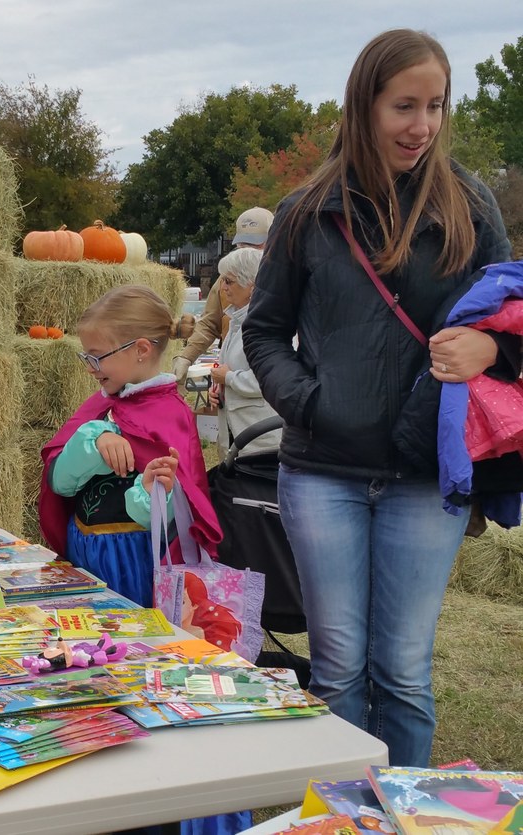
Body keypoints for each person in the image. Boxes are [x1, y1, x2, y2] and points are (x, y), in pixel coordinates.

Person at [241, 29, 512, 768]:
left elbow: (510, 315)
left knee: (402, 670)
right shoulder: (306, 211)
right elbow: (262, 332)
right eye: (403, 106)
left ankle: (406, 813)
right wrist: (310, 403)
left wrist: (495, 349)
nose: (421, 125)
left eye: (434, 105)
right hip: (321, 471)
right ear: (364, 106)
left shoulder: (471, 205)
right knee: (336, 667)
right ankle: (341, 815)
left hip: (426, 475)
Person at [37, 288, 245, 835]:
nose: (90, 368)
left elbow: (182, 507)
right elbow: (59, 477)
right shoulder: (102, 408)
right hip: (89, 561)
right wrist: (90, 441)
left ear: (141, 351)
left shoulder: (168, 413)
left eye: (96, 356)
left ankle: (146, 792)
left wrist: (147, 491)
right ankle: (89, 770)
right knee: (87, 666)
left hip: (137, 569)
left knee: (139, 668)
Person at [173, 206, 274, 384]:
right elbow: (210, 322)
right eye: (243, 244)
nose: (246, 249)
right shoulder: (225, 279)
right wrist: (186, 357)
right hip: (230, 374)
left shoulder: (286, 276)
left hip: (266, 379)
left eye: (255, 244)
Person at [207, 247, 282, 459]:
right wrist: (220, 392)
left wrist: (228, 378)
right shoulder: (236, 321)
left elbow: (271, 379)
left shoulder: (270, 325)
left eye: (229, 281)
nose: (223, 287)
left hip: (262, 440)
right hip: (241, 437)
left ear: (252, 285)